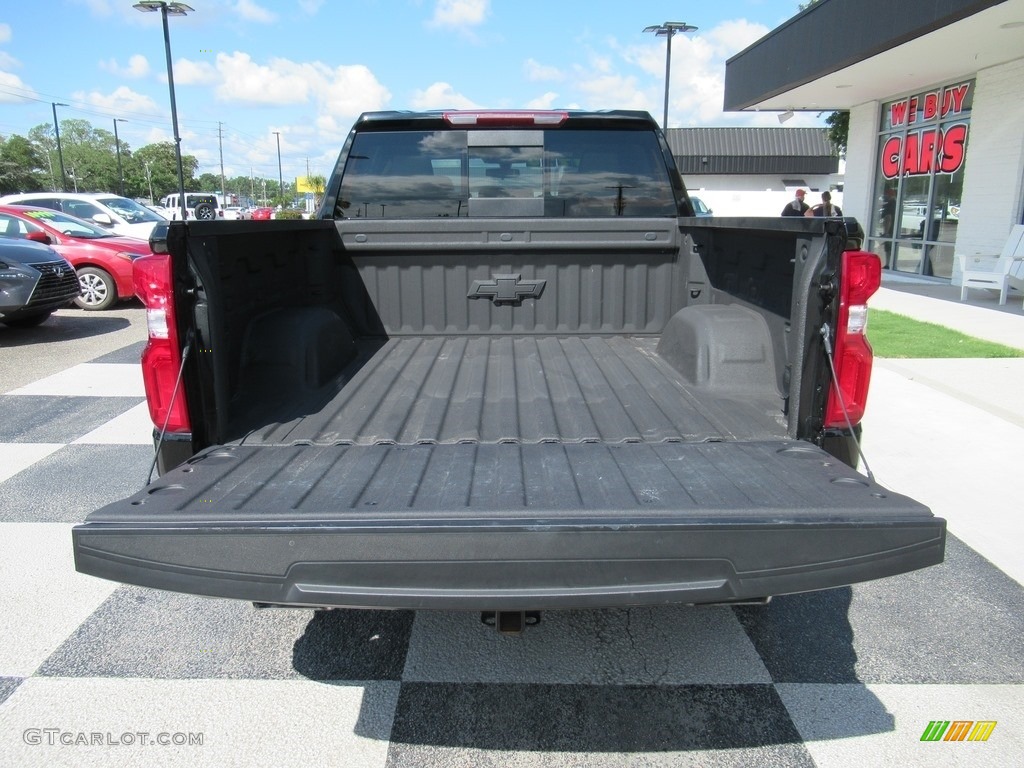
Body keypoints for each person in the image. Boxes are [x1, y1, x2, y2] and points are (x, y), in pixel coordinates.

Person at [878, 188, 896, 268]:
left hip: (890, 231)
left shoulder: (890, 205)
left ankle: (889, 264)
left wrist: (886, 232)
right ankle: (889, 264)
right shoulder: (895, 204)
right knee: (889, 248)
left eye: (886, 194)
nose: (885, 196)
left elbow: (888, 218)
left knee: (888, 248)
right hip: (893, 230)